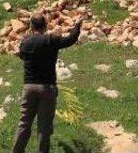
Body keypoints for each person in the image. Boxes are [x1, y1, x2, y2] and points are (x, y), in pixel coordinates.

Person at [12, 13, 84, 153]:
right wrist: (77, 25)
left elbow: (25, 55)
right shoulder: (51, 40)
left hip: (29, 88)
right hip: (47, 88)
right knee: (44, 128)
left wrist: (20, 54)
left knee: (24, 124)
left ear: (31, 26)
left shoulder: (25, 42)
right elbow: (70, 40)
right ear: (45, 26)